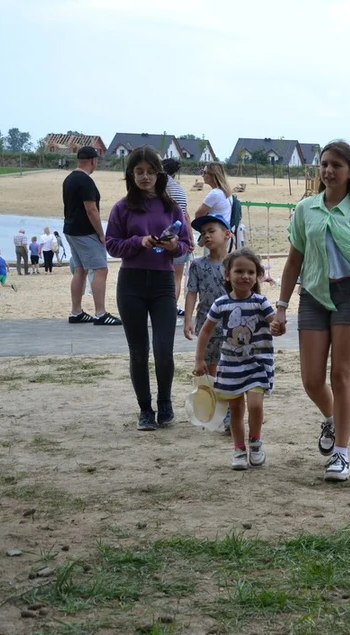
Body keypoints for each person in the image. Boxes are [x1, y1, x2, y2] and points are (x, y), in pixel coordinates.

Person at [270, 140, 350, 483]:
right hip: (312, 295)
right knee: (311, 379)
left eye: (336, 165)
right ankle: (331, 417)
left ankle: (341, 453)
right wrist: (280, 308)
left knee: (341, 376)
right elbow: (294, 260)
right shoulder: (306, 209)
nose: (328, 170)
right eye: (324, 164)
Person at [104, 147, 192, 430]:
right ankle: (145, 409)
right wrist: (137, 242)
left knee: (163, 349)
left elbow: (187, 245)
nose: (145, 177)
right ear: (131, 174)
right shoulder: (122, 207)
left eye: (150, 171)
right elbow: (111, 244)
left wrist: (171, 246)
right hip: (131, 284)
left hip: (163, 284)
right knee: (138, 351)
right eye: (139, 171)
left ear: (159, 174)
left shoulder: (171, 207)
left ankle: (165, 402)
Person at [193, 247, 276, 469]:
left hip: (257, 364)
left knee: (256, 405)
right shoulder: (221, 304)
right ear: (227, 274)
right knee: (236, 410)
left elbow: (274, 323)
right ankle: (239, 449)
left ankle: (255, 441)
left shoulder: (261, 302)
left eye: (250, 272)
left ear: (257, 276)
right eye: (239, 271)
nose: (245, 276)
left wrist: (277, 326)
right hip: (230, 365)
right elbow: (205, 331)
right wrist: (199, 359)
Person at [63, 146, 120, 325]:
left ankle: (76, 311)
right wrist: (101, 234)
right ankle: (100, 313)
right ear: (94, 161)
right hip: (85, 231)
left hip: (70, 229)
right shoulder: (85, 181)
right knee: (100, 269)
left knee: (80, 270)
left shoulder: (69, 179)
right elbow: (91, 209)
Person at [184, 215, 231, 380]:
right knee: (210, 367)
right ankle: (216, 401)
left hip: (232, 323)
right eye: (204, 234)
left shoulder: (236, 264)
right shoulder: (198, 265)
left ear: (227, 234)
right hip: (207, 324)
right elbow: (191, 292)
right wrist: (188, 319)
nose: (207, 236)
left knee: (230, 365)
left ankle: (229, 402)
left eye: (211, 231)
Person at [164, 158, 193, 316]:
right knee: (177, 277)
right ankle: (171, 307)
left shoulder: (159, 187)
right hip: (179, 234)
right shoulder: (179, 189)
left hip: (160, 235)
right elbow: (186, 216)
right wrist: (190, 238)